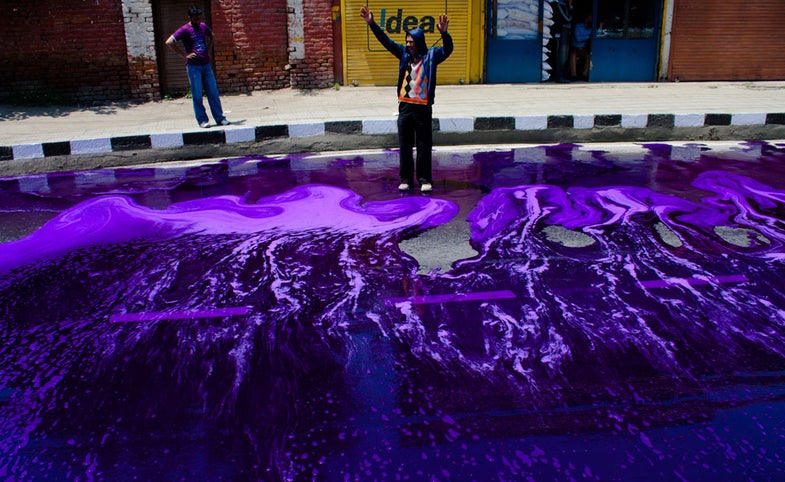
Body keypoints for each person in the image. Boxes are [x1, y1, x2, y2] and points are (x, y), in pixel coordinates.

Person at [359, 6, 453, 192]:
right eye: (407, 41)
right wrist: (372, 23)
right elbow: (386, 41)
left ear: (418, 42)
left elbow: (448, 49)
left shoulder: (432, 56)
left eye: (411, 42)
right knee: (405, 146)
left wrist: (444, 34)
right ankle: (406, 179)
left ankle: (425, 180)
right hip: (405, 107)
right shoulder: (403, 54)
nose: (408, 44)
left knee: (424, 146)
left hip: (423, 109)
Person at [166, 6, 229, 128]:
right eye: (195, 19)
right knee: (197, 94)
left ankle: (220, 118)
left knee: (213, 92)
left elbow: (211, 36)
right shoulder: (184, 30)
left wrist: (208, 50)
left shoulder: (203, 26)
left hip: (206, 65)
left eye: (199, 18)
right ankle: (202, 120)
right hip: (194, 67)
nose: (198, 21)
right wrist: (184, 55)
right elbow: (169, 42)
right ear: (190, 18)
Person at [569, 14, 592, 81]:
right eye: (590, 17)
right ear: (586, 18)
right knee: (573, 55)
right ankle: (573, 75)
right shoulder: (578, 26)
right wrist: (588, 37)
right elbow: (578, 38)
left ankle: (585, 75)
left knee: (589, 56)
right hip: (576, 48)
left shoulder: (591, 29)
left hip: (584, 49)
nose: (591, 19)